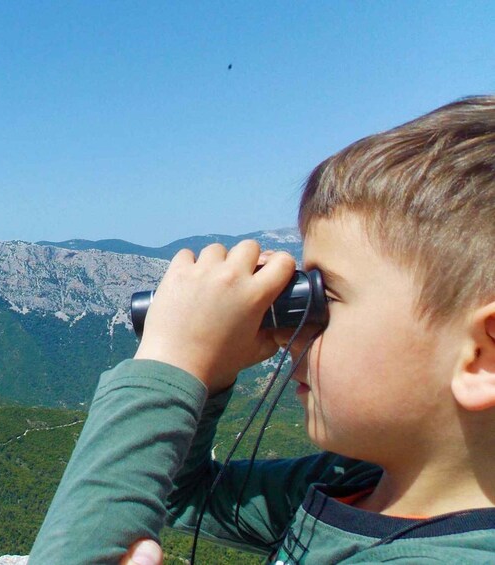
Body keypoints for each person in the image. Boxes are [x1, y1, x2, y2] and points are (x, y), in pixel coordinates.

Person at [29, 96, 495, 563]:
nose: (296, 330)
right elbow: (185, 493)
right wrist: (210, 370)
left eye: (323, 298)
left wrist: (170, 360)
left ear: (481, 357)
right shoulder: (352, 481)